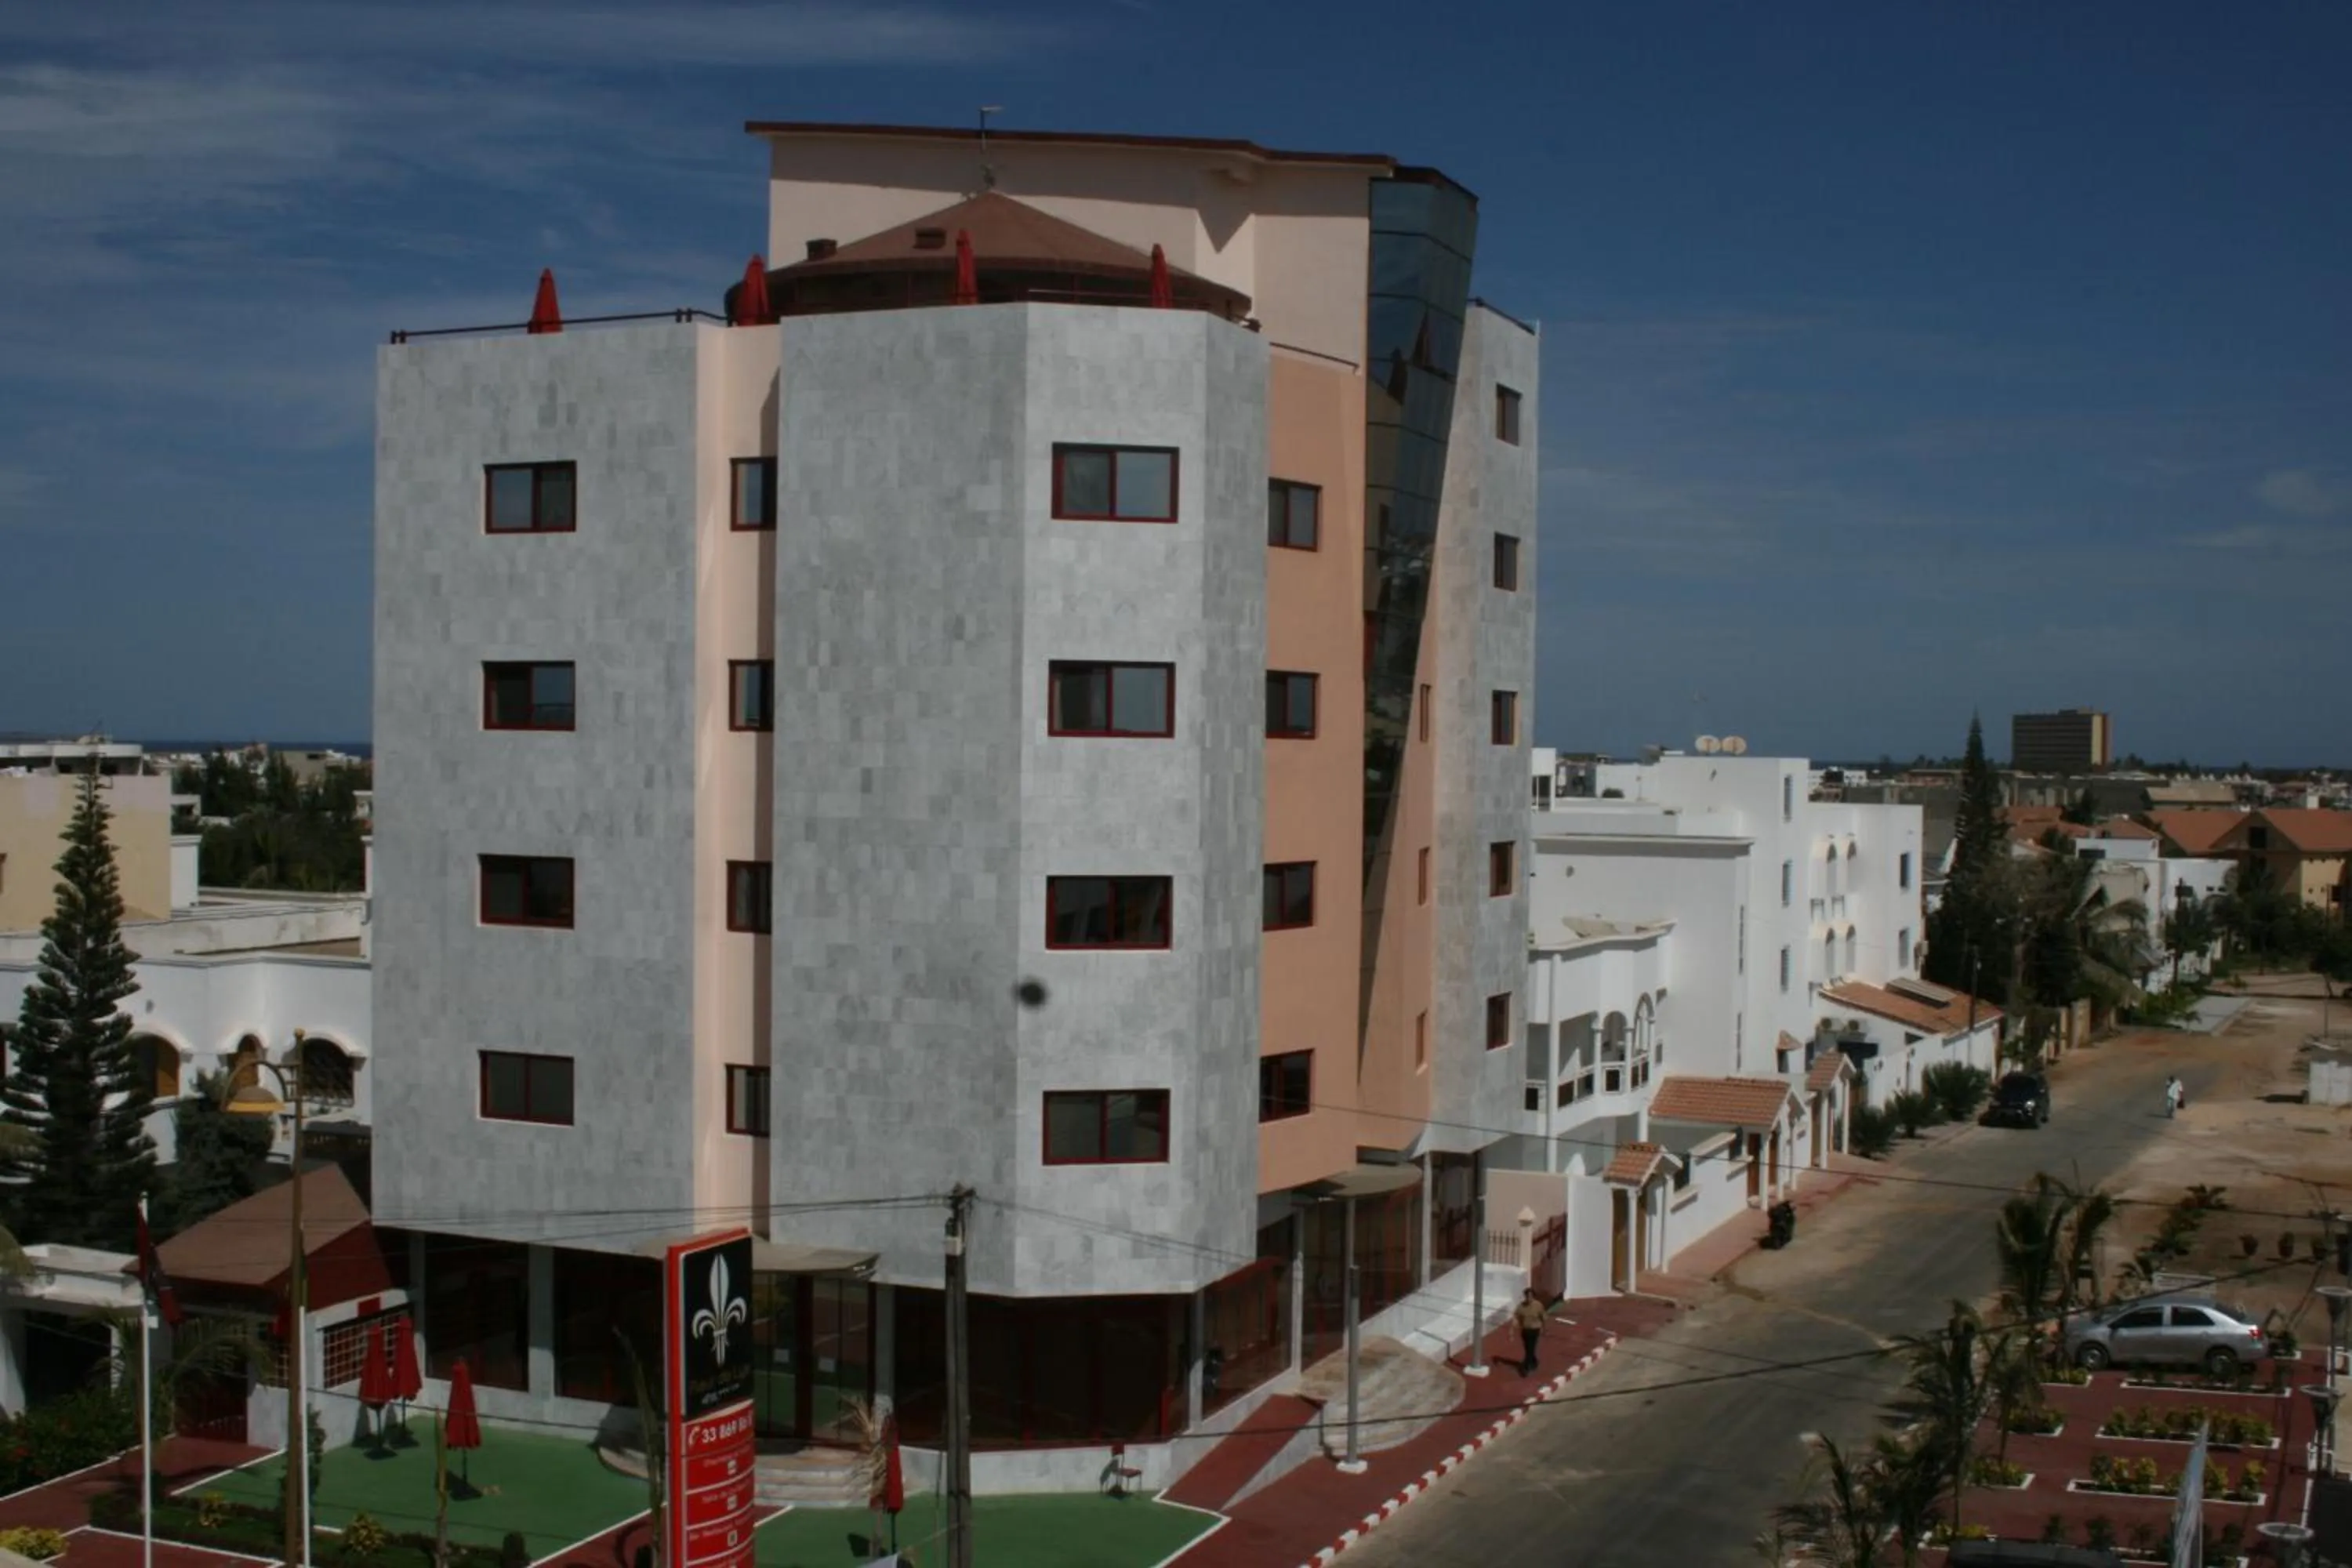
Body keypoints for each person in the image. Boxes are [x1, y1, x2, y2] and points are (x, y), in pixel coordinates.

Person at [1513, 1289, 1547, 1376]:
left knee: (1531, 1347)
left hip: (1535, 1330)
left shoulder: (1538, 1305)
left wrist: (1544, 1329)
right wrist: (1512, 1330)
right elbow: (1516, 1317)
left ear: (1533, 1296)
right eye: (1527, 1296)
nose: (1529, 1298)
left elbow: (1543, 1317)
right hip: (1525, 1330)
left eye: (1531, 1296)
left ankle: (1526, 1367)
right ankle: (1534, 1361)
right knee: (1528, 1348)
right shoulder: (1521, 1306)